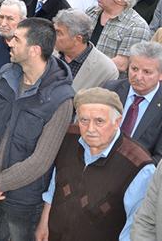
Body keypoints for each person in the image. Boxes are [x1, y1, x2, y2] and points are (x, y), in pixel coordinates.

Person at [0, 18, 74, 241]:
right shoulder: (5, 74)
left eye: (16, 40)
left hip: (24, 199)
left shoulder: (61, 98)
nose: (9, 43)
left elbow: (42, 160)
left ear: (34, 50)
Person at [35, 87, 154, 241]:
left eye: (99, 121)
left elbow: (137, 225)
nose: (90, 129)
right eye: (84, 120)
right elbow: (55, 185)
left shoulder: (138, 166)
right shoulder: (68, 138)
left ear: (117, 121)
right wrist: (44, 223)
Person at [103, 41, 162, 164]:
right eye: (134, 69)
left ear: (160, 75)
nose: (138, 76)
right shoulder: (110, 90)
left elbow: (159, 157)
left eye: (147, 72)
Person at [86, 0, 151, 74]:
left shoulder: (137, 26)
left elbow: (122, 64)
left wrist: (84, 63)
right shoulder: (91, 12)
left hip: (104, 83)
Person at [53, 8, 119, 91]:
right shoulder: (46, 53)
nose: (52, 35)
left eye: (58, 33)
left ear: (78, 39)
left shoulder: (106, 70)